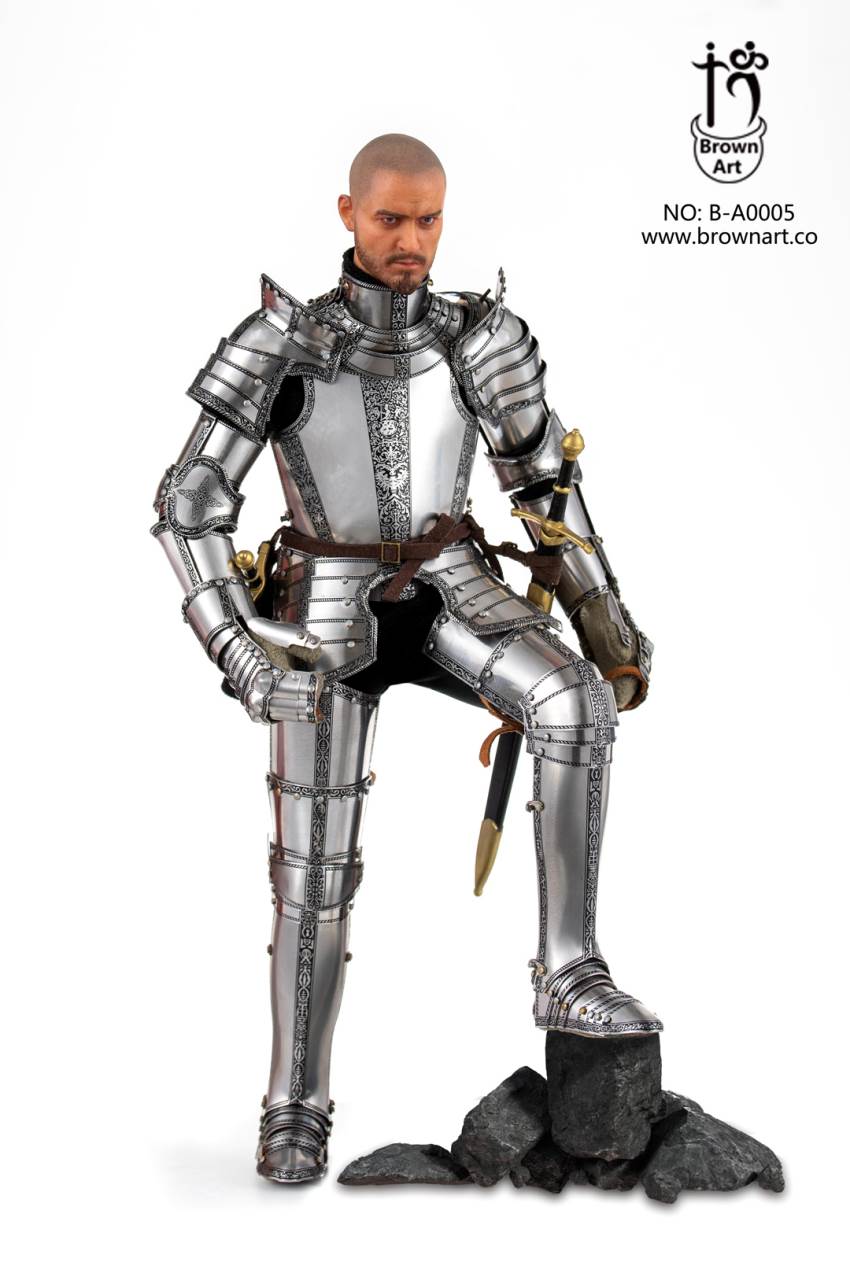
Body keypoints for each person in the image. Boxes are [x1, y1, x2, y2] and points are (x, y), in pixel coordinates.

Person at [151, 133, 659, 1185]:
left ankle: (569, 971)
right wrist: (239, 648)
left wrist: (602, 619)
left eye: (428, 219)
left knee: (571, 701)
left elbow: (544, 487)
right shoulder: (282, 341)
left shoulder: (481, 336)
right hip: (322, 602)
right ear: (348, 213)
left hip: (451, 584)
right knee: (313, 871)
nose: (411, 240)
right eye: (390, 218)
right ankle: (295, 1102)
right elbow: (189, 502)